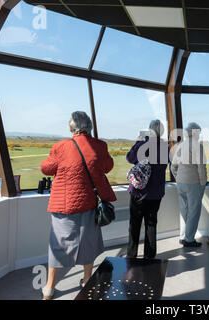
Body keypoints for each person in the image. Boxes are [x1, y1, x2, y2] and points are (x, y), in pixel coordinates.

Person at [40, 111, 116, 300]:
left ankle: (49, 287)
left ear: (72, 128)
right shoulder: (99, 145)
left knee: (58, 245)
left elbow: (46, 168)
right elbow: (107, 166)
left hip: (63, 205)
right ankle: (87, 279)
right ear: (89, 127)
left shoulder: (61, 147)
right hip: (90, 204)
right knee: (88, 242)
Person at [126, 120, 169, 259]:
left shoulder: (143, 144)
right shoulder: (164, 147)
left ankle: (131, 257)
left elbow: (130, 158)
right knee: (151, 225)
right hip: (156, 193)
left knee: (135, 224)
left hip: (139, 192)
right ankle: (149, 258)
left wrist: (138, 141)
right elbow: (163, 166)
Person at [171, 122, 207, 247]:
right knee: (193, 212)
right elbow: (201, 168)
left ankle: (182, 237)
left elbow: (173, 166)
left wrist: (178, 177)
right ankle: (189, 239)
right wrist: (203, 183)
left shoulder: (180, 146)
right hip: (193, 183)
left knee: (184, 211)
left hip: (180, 182)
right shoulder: (198, 146)